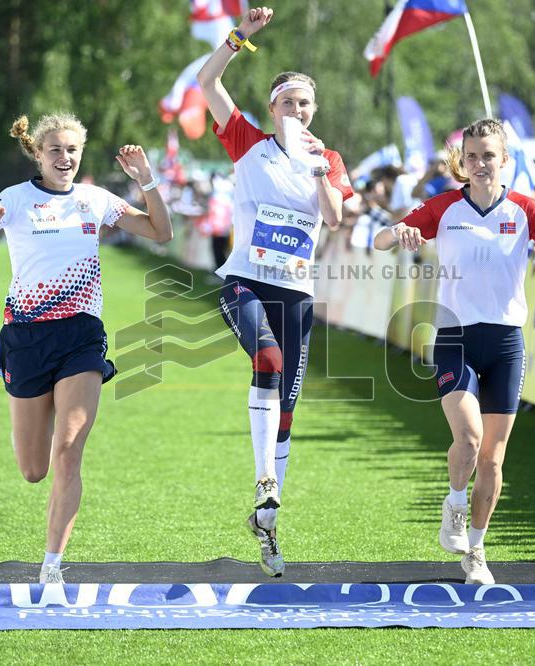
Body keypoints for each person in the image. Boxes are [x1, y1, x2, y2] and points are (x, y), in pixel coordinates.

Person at [373, 119, 535, 585]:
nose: (480, 164)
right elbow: (379, 239)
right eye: (471, 157)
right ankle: (454, 502)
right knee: (467, 439)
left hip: (506, 343)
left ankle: (478, 552)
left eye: (489, 155)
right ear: (461, 162)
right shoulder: (445, 207)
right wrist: (398, 234)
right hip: (455, 338)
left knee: (492, 458)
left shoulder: (526, 210)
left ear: (505, 160)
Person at [0, 113, 172, 583]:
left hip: (81, 337)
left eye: (72, 150)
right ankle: (32, 424)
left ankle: (51, 567)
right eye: (55, 150)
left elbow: (160, 232)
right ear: (38, 154)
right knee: (33, 469)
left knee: (68, 451)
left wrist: (146, 180)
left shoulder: (95, 200)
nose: (64, 158)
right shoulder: (15, 199)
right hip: (26, 338)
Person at [196, 6, 353, 577]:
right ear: (272, 108)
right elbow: (206, 82)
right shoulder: (247, 142)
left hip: (297, 293)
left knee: (287, 408)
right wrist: (242, 38)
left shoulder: (328, 159)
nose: (295, 109)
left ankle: (267, 518)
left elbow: (334, 218)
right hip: (245, 282)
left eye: (304, 102)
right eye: (287, 101)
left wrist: (317, 170)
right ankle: (265, 480)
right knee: (266, 358)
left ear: (314, 110)